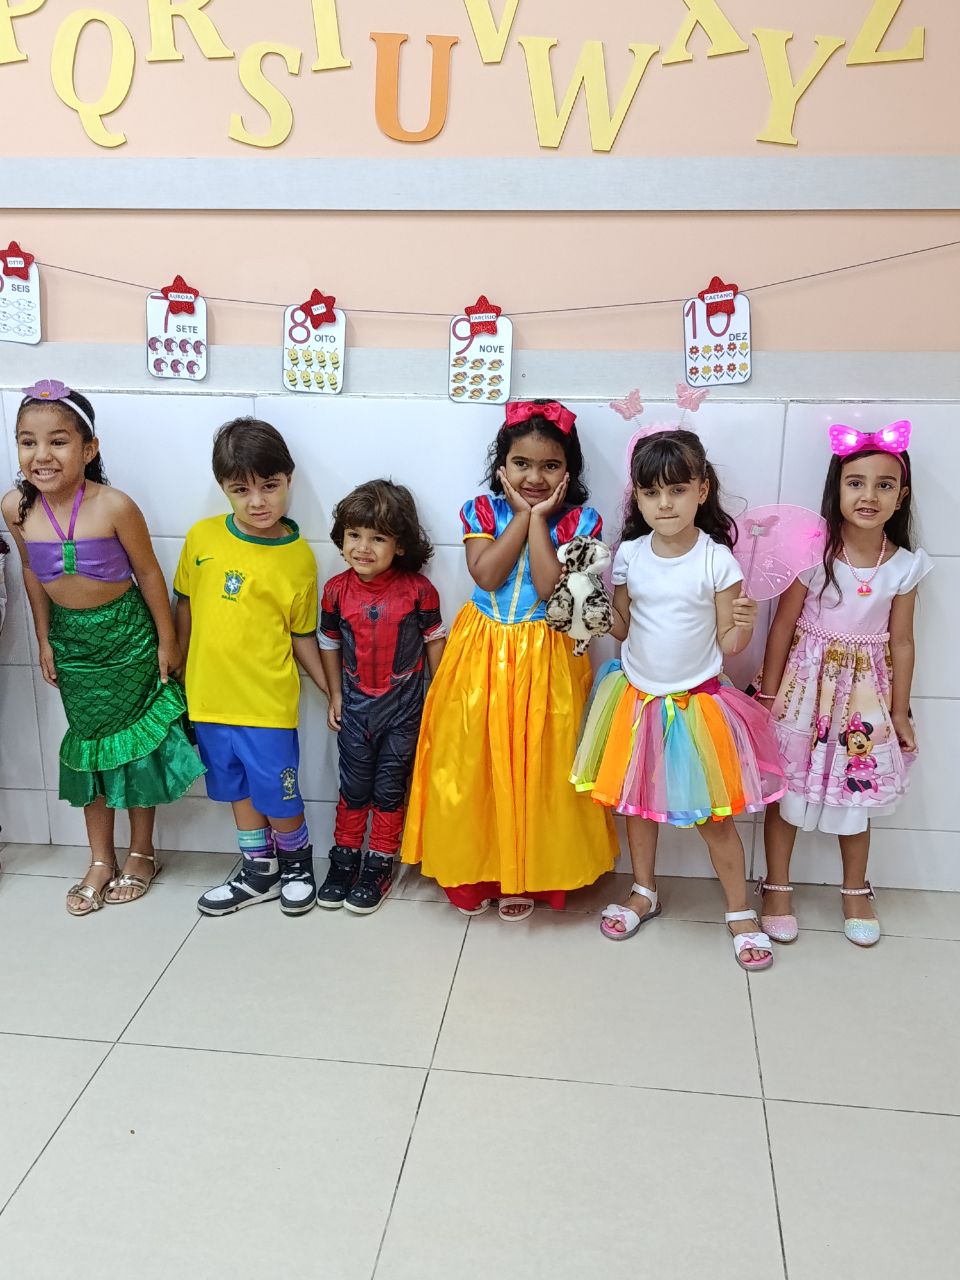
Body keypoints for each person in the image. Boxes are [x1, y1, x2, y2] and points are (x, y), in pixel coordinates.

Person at [571, 427, 784, 970]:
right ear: (638, 498)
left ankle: (739, 910)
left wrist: (743, 622)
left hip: (696, 706)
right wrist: (591, 607)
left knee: (714, 817)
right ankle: (644, 890)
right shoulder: (629, 556)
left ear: (701, 490)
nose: (664, 504)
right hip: (635, 699)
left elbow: (730, 645)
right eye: (651, 493)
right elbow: (622, 627)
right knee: (637, 807)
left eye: (677, 490)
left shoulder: (717, 561)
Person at [401, 399, 618, 920]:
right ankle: (477, 873)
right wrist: (521, 516)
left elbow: (547, 588)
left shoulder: (581, 521)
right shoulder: (481, 510)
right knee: (473, 759)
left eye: (550, 466)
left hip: (549, 651)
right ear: (502, 465)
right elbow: (488, 575)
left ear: (569, 471)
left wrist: (539, 519)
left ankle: (533, 876)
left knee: (542, 763)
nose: (534, 477)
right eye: (522, 463)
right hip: (481, 648)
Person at [1, 380, 203, 915]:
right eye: (27, 441)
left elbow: (149, 574)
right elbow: (31, 572)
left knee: (135, 748)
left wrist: (167, 641)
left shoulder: (114, 505)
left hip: (128, 639)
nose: (42, 455)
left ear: (89, 448)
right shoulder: (15, 508)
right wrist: (44, 638)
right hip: (73, 646)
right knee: (88, 748)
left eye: (58, 441)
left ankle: (141, 853)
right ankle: (99, 858)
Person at [757, 422, 931, 947]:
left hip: (863, 702)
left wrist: (899, 712)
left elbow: (903, 642)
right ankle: (776, 886)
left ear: (901, 496)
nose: (869, 495)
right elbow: (782, 626)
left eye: (884, 484)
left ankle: (856, 889)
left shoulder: (904, 567)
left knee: (858, 791)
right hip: (804, 692)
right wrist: (768, 695)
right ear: (837, 489)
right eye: (856, 482)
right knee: (788, 790)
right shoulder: (814, 556)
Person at [174, 417, 329, 917]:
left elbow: (302, 635)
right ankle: (259, 871)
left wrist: (333, 690)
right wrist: (175, 659)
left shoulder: (299, 559)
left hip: (266, 705)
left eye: (270, 486)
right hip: (208, 699)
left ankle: (297, 866)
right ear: (224, 488)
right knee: (236, 789)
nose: (257, 501)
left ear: (289, 479)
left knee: (279, 794)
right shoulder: (201, 538)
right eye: (241, 490)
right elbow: (185, 603)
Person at [318, 480, 446, 914]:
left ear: (400, 544)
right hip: (355, 712)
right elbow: (329, 642)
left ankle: (379, 863)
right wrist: (335, 694)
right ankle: (344, 859)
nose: (363, 547)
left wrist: (439, 698)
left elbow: (434, 642)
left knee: (389, 789)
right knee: (354, 787)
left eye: (377, 538)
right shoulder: (335, 591)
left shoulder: (419, 591)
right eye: (354, 535)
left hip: (404, 713)